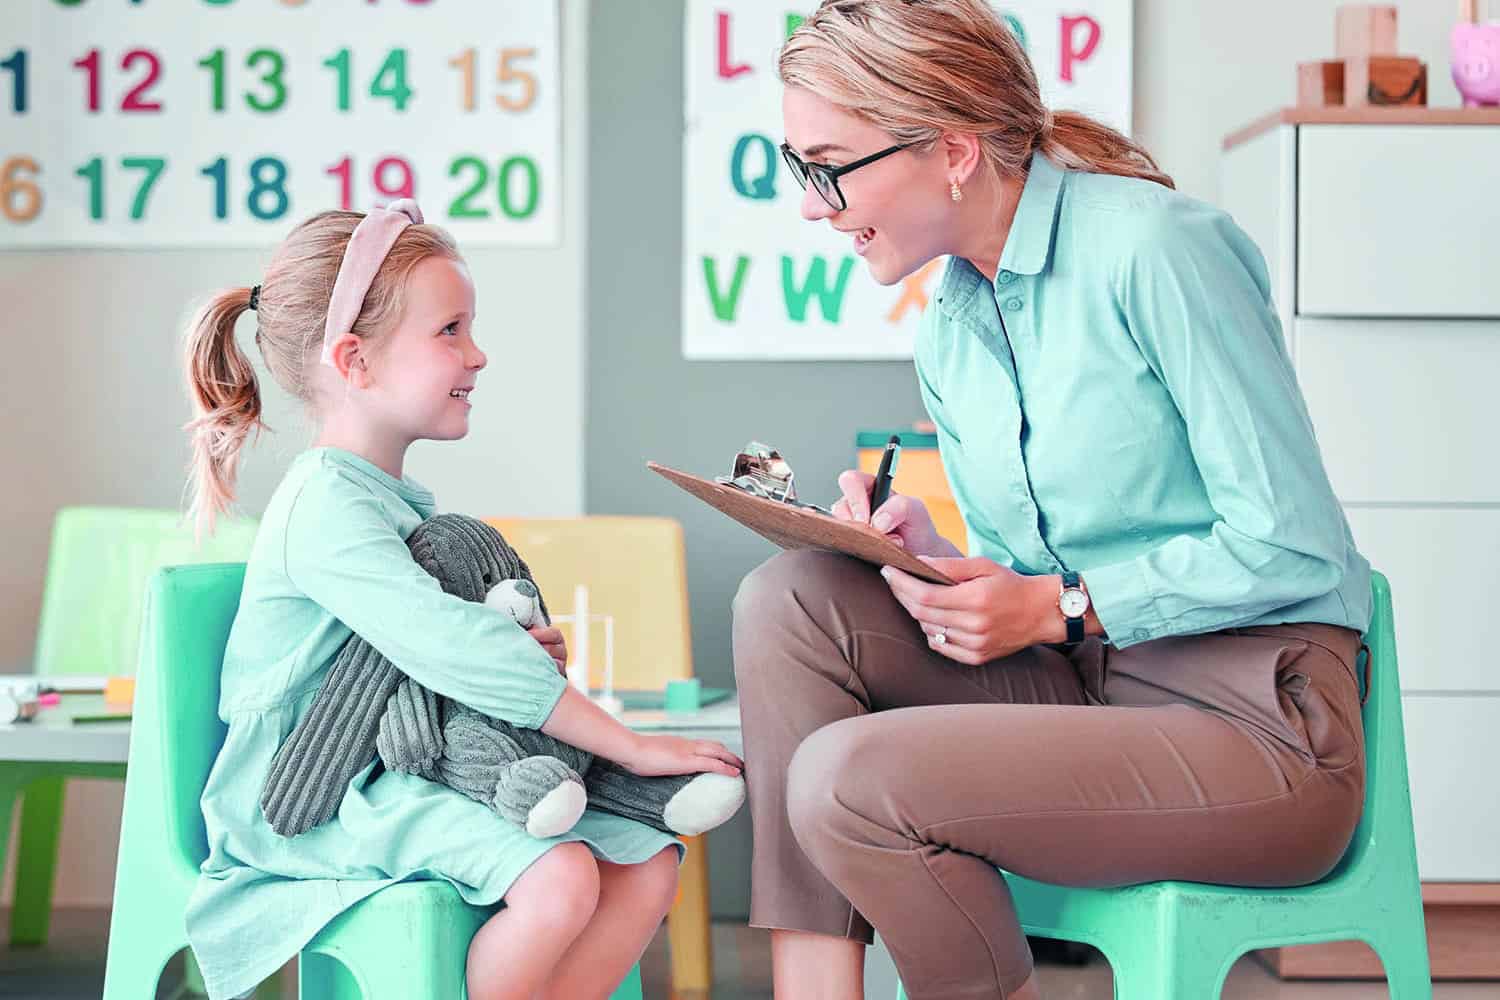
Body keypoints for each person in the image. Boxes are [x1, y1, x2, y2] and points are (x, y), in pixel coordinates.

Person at [733, 3, 1372, 997]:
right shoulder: (950, 326)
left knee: (845, 778)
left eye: (829, 166)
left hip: (1260, 730)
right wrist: (934, 564)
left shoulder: (1156, 250)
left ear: (950, 150)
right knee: (792, 595)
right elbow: (1031, 583)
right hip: (1090, 690)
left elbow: (1294, 548)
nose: (813, 206)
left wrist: (1061, 606)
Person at [180, 200, 743, 1000]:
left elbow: (433, 652)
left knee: (648, 860)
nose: (477, 355)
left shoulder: (391, 499)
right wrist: (629, 746)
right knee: (560, 877)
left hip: (395, 774)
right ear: (356, 361)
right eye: (450, 331)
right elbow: (451, 648)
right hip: (314, 797)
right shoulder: (325, 507)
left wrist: (512, 654)